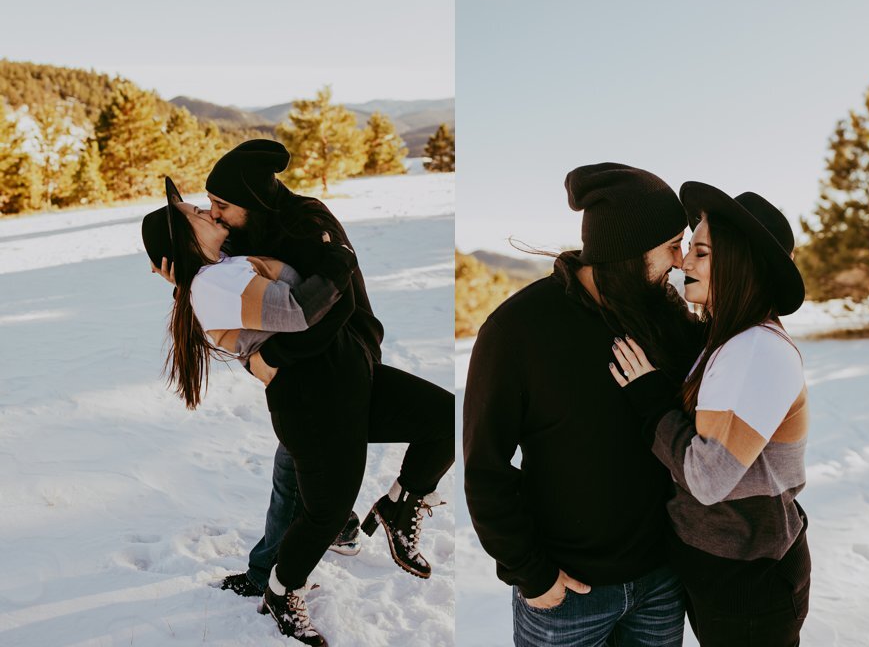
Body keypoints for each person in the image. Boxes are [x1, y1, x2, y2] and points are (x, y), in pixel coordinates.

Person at [143, 144, 454, 647]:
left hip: (349, 370)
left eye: (219, 204)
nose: (211, 211)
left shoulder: (300, 223)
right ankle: (281, 587)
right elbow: (297, 310)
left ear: (252, 201)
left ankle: (398, 505)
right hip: (311, 394)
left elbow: (339, 304)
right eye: (204, 209)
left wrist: (272, 353)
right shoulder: (223, 262)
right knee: (319, 504)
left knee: (445, 419)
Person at [463, 161, 705, 647]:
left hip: (660, 583)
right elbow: (485, 465)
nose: (680, 261)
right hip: (568, 592)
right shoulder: (519, 330)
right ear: (627, 250)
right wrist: (531, 573)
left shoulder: (668, 318)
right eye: (671, 247)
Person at [610, 183, 810, 647]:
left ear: (740, 262)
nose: (684, 262)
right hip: (721, 572)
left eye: (701, 252)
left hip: (749, 585)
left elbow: (708, 478)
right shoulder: (728, 339)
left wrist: (650, 400)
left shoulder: (758, 349)